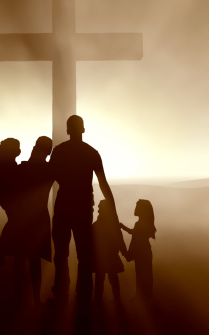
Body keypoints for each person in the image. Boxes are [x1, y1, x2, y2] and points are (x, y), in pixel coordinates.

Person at [50, 115, 122, 305]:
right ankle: (84, 295)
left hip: (63, 206)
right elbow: (103, 184)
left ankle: (61, 293)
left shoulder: (59, 151)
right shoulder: (92, 152)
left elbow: (50, 178)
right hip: (83, 208)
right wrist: (113, 212)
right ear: (83, 129)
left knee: (61, 253)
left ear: (67, 130)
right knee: (84, 255)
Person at [13, 136, 53, 306]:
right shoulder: (49, 170)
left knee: (20, 260)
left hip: (23, 217)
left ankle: (18, 299)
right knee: (33, 261)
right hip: (38, 218)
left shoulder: (24, 168)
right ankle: (35, 299)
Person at [0, 138, 21, 266]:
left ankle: (3, 248)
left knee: (13, 222)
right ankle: (0, 249)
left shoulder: (5, 160)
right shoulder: (7, 162)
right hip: (9, 198)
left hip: (6, 197)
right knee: (14, 221)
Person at [92, 200, 129, 303]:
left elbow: (91, 241)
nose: (98, 210)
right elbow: (120, 241)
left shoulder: (96, 225)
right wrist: (125, 253)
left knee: (100, 278)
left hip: (101, 256)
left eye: (100, 208)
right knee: (112, 278)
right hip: (110, 256)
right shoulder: (113, 224)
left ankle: (98, 300)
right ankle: (116, 299)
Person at [120, 199, 157, 302]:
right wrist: (123, 227)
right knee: (144, 274)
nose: (135, 209)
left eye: (137, 207)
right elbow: (135, 234)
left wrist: (122, 227)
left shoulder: (140, 223)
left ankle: (142, 296)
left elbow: (135, 236)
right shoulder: (143, 223)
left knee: (142, 274)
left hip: (141, 251)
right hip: (144, 250)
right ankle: (144, 296)